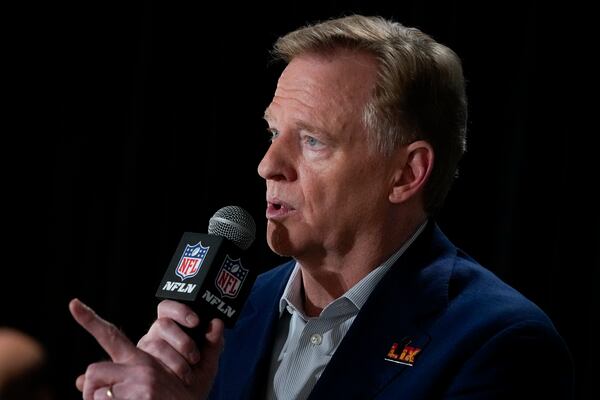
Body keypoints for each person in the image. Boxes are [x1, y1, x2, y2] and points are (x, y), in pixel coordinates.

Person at [69, 15, 574, 399]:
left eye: (312, 141)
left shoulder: (500, 344)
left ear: (406, 174)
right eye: (273, 132)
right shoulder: (231, 318)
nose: (268, 165)